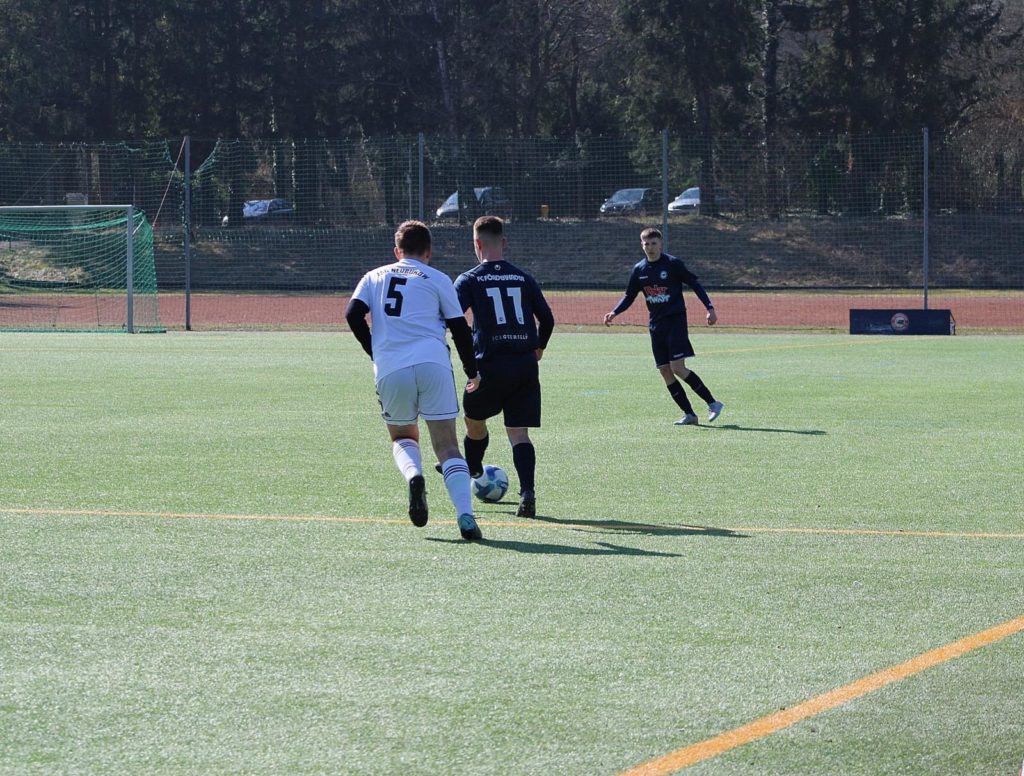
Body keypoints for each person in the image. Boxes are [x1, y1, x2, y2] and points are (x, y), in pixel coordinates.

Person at [345, 220, 483, 541]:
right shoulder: (437, 278)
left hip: (391, 368)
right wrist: (471, 371)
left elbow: (352, 314)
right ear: (429, 251)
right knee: (447, 446)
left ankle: (414, 476)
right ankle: (465, 516)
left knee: (403, 437)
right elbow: (460, 329)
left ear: (397, 251)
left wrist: (375, 350)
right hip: (433, 363)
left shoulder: (374, 276)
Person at [451, 215, 555, 518]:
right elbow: (547, 319)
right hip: (524, 365)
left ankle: (473, 469)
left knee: (473, 420)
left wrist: (469, 353)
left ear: (476, 244)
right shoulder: (523, 278)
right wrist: (539, 347)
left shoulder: (469, 279)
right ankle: (527, 493)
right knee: (519, 433)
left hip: (489, 366)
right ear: (504, 242)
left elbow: (454, 320)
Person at [603, 227, 724, 425]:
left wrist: (710, 308)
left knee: (677, 367)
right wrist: (615, 312)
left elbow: (695, 284)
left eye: (654, 243)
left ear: (661, 244)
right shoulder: (639, 270)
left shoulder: (673, 264)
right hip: (655, 325)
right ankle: (690, 415)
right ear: (642, 245)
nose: (650, 247)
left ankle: (713, 403)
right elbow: (629, 295)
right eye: (646, 244)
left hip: (675, 321)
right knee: (664, 370)